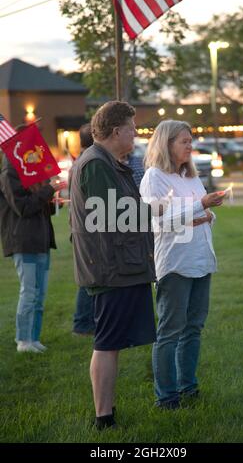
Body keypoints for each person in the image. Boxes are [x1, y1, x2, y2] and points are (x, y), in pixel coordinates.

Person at [70, 101, 156, 430]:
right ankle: (103, 418)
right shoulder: (95, 164)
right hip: (111, 268)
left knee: (112, 342)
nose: (136, 134)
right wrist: (170, 212)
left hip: (121, 265)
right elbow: (114, 216)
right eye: (132, 128)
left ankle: (107, 412)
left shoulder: (107, 161)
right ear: (117, 130)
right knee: (106, 343)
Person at [140, 120, 225, 409]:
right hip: (175, 264)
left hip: (201, 260)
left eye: (191, 140)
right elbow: (161, 220)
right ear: (166, 144)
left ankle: (188, 387)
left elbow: (199, 213)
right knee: (170, 331)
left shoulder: (190, 177)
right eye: (184, 141)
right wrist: (201, 205)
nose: (190, 145)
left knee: (193, 328)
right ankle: (166, 397)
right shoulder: (155, 177)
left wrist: (209, 212)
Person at [0, 154, 65, 353]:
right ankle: (23, 340)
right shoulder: (8, 175)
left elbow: (39, 206)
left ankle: (34, 338)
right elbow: (23, 207)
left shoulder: (35, 173)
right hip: (23, 241)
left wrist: (55, 202)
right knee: (29, 292)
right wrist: (48, 190)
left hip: (41, 241)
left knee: (40, 294)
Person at [72, 123, 96, 336]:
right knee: (90, 277)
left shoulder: (81, 161)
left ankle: (86, 320)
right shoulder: (89, 162)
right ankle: (82, 322)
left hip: (83, 227)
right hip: (87, 229)